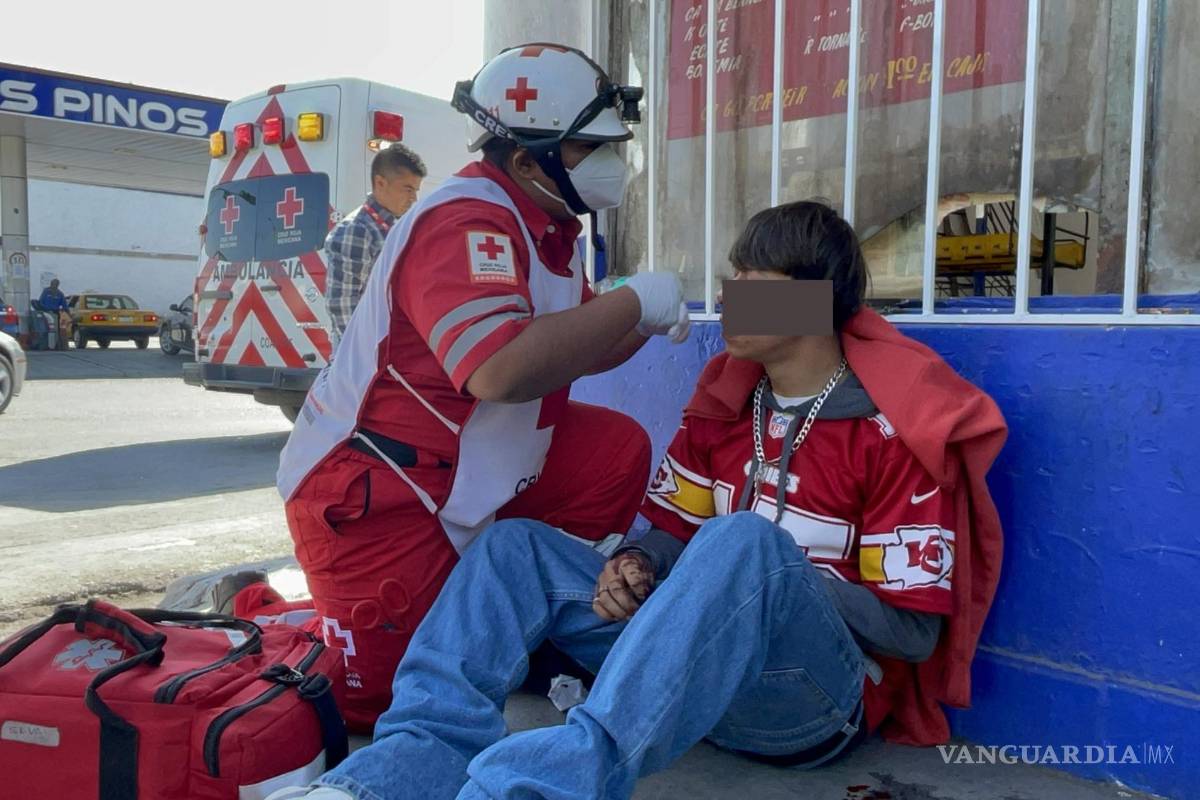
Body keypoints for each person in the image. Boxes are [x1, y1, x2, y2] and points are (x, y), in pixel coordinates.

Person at [266, 201, 1007, 800]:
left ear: (816, 301)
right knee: (513, 548)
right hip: (688, 678)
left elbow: (911, 635)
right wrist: (637, 564)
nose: (729, 293)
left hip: (806, 705)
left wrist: (768, 582)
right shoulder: (726, 409)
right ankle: (381, 781)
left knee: (743, 543)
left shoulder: (886, 435)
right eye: (733, 273)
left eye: (755, 276)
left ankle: (532, 788)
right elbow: (668, 534)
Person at [228, 43, 691, 732]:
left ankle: (524, 619)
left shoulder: (551, 227)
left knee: (614, 448)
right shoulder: (465, 218)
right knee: (378, 701)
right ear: (528, 160)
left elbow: (576, 349)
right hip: (382, 488)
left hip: (480, 464)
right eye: (589, 148)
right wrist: (635, 304)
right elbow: (500, 368)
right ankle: (260, 610)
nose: (612, 163)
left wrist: (659, 317)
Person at [326, 143, 427, 346]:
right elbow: (343, 304)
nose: (414, 198)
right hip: (366, 353)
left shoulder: (391, 228)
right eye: (407, 189)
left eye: (415, 190)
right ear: (380, 183)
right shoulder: (358, 229)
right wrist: (368, 351)